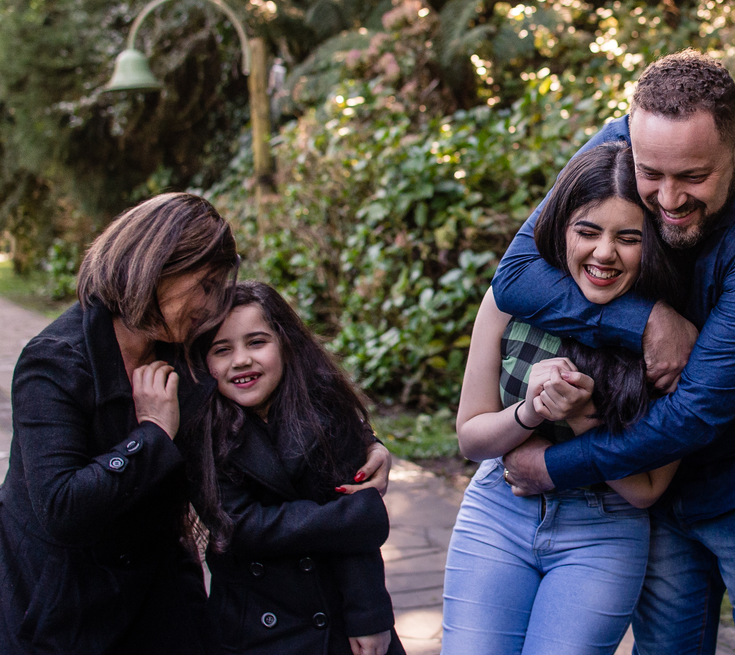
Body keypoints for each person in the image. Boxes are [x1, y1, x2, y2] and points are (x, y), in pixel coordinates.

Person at [492, 50, 735, 655]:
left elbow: (697, 411)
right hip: (654, 476)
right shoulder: (620, 146)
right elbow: (517, 274)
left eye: (693, 177)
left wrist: (553, 467)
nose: (669, 199)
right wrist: (645, 319)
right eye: (651, 174)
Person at [0, 192, 392, 655]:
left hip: (160, 588)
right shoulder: (55, 362)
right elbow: (61, 509)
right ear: (157, 269)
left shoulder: (183, 346)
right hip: (62, 604)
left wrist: (363, 442)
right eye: (205, 285)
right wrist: (152, 434)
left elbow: (280, 408)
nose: (212, 303)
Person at [441, 142, 684, 655]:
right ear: (560, 230)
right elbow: (471, 438)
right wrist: (530, 411)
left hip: (603, 531)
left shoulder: (671, 345)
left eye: (628, 238)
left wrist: (580, 417)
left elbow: (646, 490)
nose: (604, 253)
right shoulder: (510, 300)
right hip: (499, 510)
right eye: (587, 232)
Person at [184, 281, 404, 655]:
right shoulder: (200, 429)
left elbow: (357, 542)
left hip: (336, 613)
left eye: (256, 342)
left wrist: (370, 616)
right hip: (254, 625)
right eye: (222, 350)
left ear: (285, 343)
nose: (241, 360)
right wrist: (353, 516)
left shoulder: (326, 410)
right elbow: (240, 526)